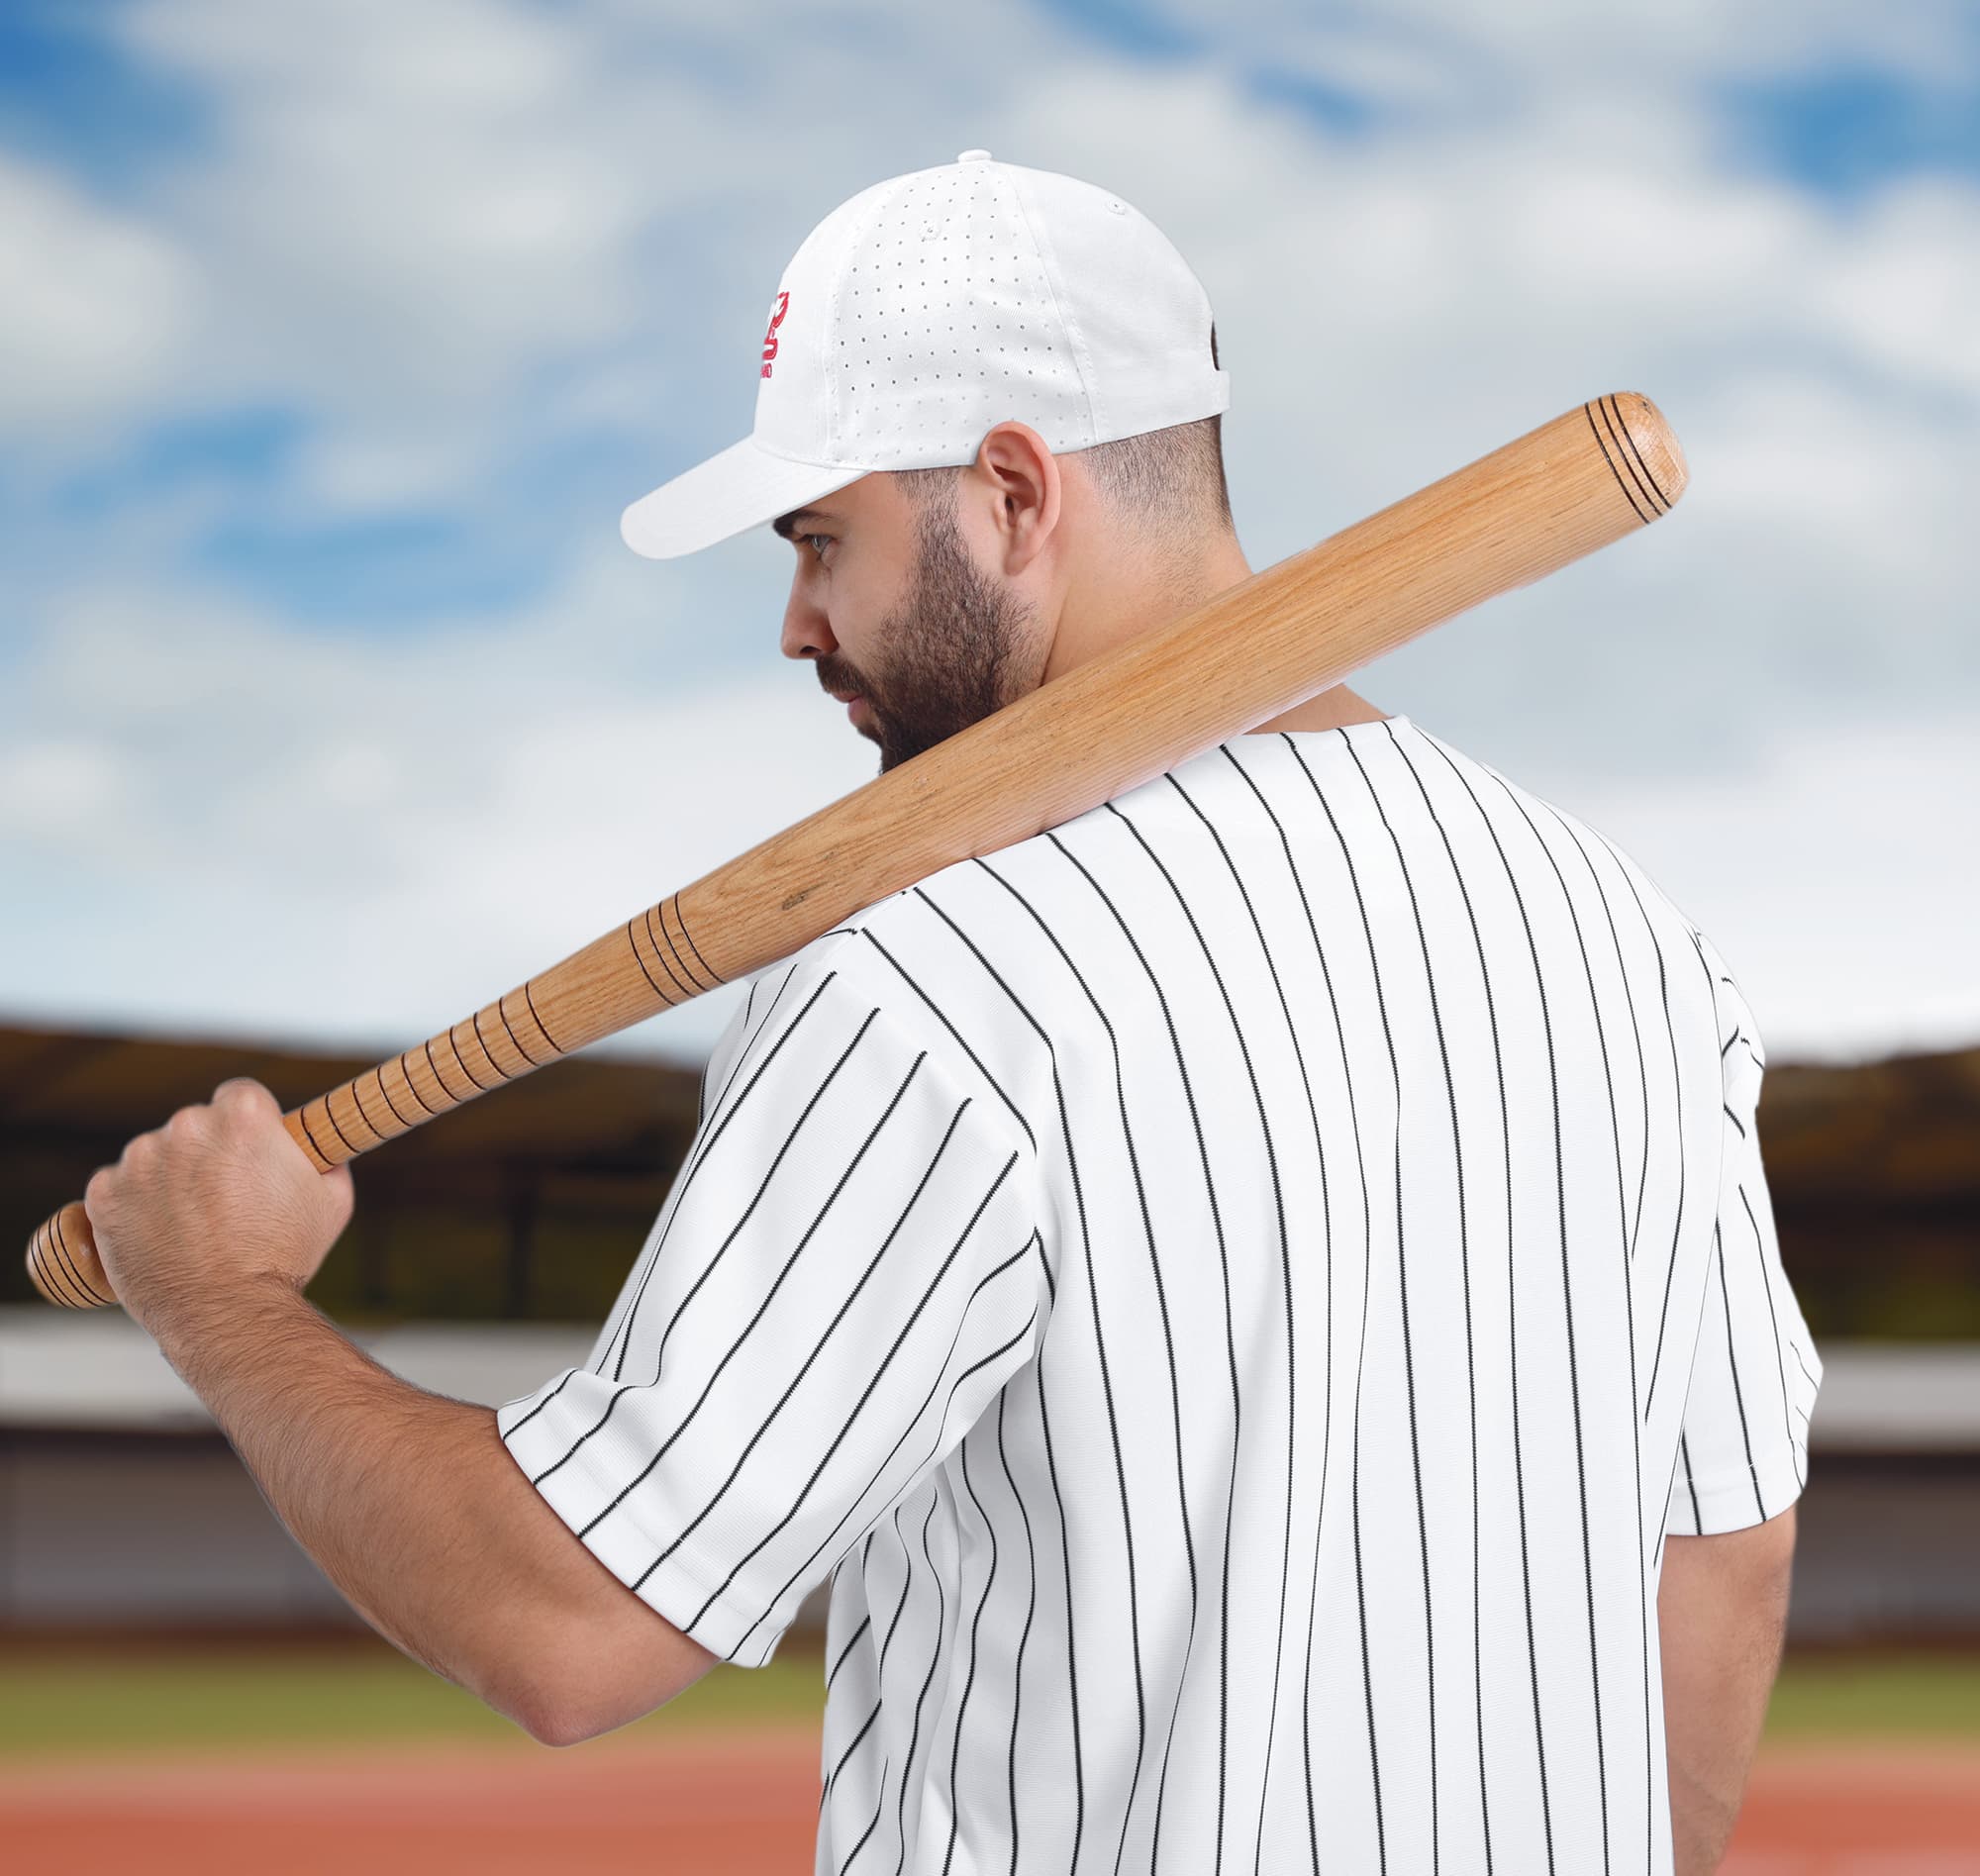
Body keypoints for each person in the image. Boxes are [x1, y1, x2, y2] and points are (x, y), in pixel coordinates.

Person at [85, 151, 1819, 1876]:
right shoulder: (1625, 940)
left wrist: (222, 1298)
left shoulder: (928, 969)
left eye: (823, 539)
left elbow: (569, 1624)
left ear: (1010, 494)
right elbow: (1723, 1558)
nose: (795, 625)